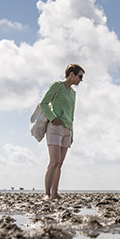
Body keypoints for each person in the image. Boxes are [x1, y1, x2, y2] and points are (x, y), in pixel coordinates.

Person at [39, 63, 85, 200]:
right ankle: (46, 194)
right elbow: (43, 104)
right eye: (80, 76)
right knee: (54, 161)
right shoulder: (57, 86)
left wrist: (72, 133)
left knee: (60, 163)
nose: (81, 80)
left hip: (67, 130)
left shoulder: (73, 93)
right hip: (55, 128)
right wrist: (53, 118)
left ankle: (55, 193)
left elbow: (72, 114)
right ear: (71, 74)